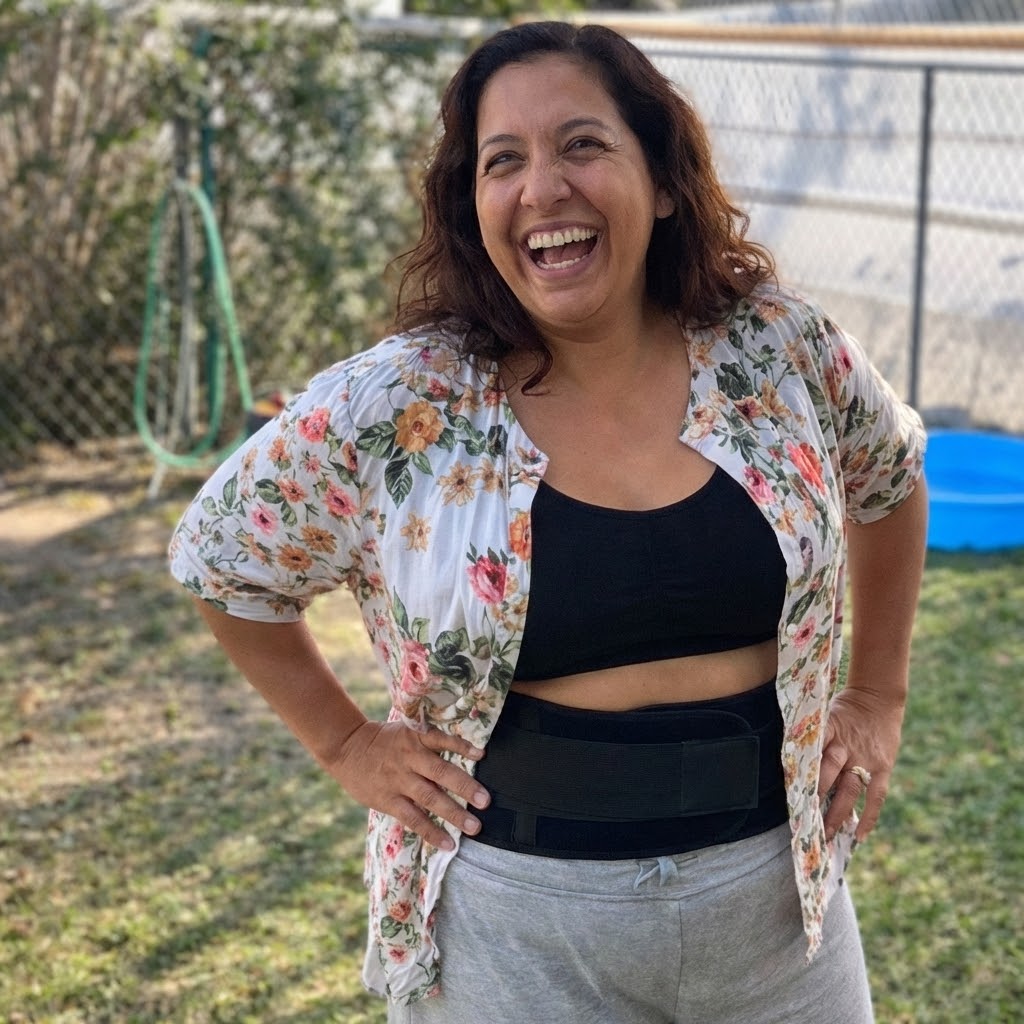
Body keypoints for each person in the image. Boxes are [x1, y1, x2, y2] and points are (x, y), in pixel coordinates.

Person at [168, 20, 928, 1023]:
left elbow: (892, 472)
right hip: (516, 938)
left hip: (782, 916)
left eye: (580, 144)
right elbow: (220, 558)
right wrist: (346, 745)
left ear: (660, 182)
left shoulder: (775, 346)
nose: (542, 188)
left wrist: (875, 693)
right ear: (473, 204)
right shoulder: (402, 403)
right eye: (502, 161)